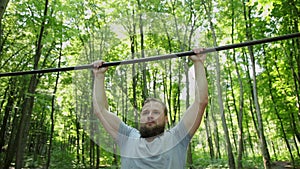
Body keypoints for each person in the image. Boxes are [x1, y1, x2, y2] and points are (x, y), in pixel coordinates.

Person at [92, 48, 208, 169]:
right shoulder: (127, 137)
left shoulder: (178, 136)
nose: (150, 115)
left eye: (156, 112)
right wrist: (99, 76)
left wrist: (198, 63)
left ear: (166, 119)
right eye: (145, 112)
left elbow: (201, 102)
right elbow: (100, 110)